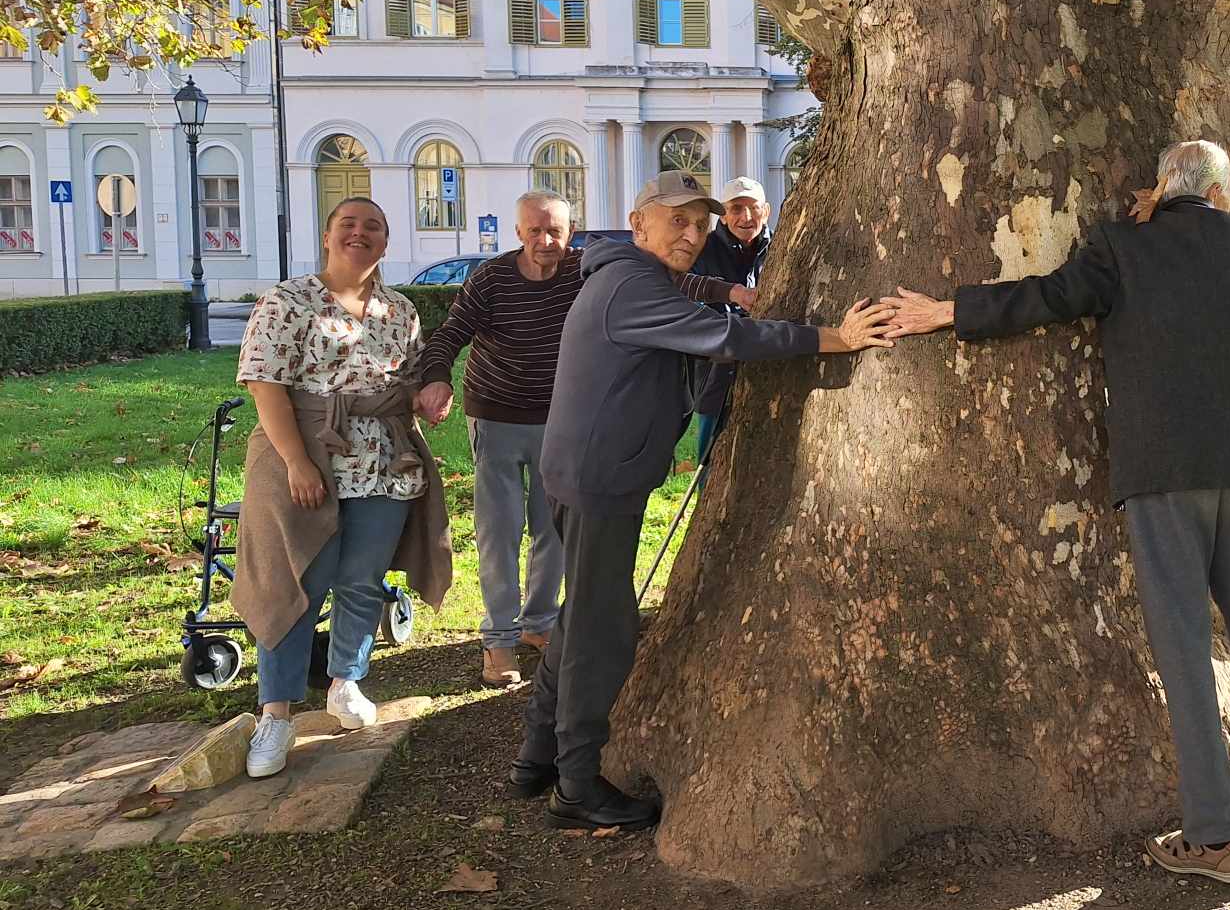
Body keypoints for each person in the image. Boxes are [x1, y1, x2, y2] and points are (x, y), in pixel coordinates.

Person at [883, 140, 1230, 885]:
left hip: (1161, 474)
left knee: (1185, 657)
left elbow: (1048, 297)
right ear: (1219, 193)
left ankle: (1215, 837)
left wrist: (948, 310)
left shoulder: (1121, 246)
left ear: (1159, 187)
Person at [514, 170, 894, 831]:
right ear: (638, 224)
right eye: (677, 221)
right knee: (602, 633)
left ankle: (537, 755)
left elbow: (701, 299)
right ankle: (575, 787)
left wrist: (726, 292)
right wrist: (835, 338)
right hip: (600, 479)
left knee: (584, 616)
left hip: (587, 471)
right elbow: (729, 339)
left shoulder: (628, 273)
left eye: (701, 223)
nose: (692, 234)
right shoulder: (631, 284)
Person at [232, 197, 454, 778]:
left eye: (373, 227)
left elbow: (409, 377)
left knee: (361, 579)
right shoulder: (288, 301)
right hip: (308, 455)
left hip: (384, 458)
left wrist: (429, 394)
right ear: (328, 235)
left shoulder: (398, 309)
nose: (360, 234)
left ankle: (345, 681)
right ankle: (275, 714)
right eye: (348, 225)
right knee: (294, 582)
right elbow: (265, 386)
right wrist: (296, 463)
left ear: (385, 241)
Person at [412, 191, 582, 687]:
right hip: (497, 416)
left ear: (570, 233)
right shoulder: (492, 279)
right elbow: (448, 334)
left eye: (555, 230)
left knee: (552, 528)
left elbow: (655, 279)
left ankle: (539, 623)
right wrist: (437, 377)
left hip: (558, 420)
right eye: (535, 231)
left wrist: (729, 293)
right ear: (518, 233)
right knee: (499, 532)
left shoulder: (582, 272)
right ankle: (500, 640)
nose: (545, 240)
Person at [682, 176, 774, 466]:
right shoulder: (702, 250)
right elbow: (690, 304)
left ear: (766, 211)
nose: (746, 217)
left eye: (753, 208)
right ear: (723, 214)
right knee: (711, 459)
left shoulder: (782, 248)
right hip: (715, 372)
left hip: (771, 365)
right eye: (736, 208)